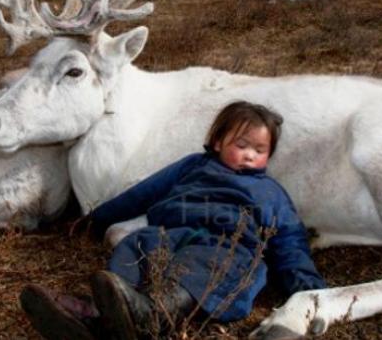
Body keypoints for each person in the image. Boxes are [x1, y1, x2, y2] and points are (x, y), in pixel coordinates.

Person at [21, 101, 325, 340]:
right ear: (217, 142)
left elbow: (290, 240)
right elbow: (143, 193)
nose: (249, 156)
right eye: (241, 145)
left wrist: (309, 290)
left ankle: (151, 314)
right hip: (170, 233)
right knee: (134, 245)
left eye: (260, 150)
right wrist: (96, 220)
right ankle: (106, 312)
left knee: (206, 264)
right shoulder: (193, 165)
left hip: (225, 245)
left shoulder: (270, 191)